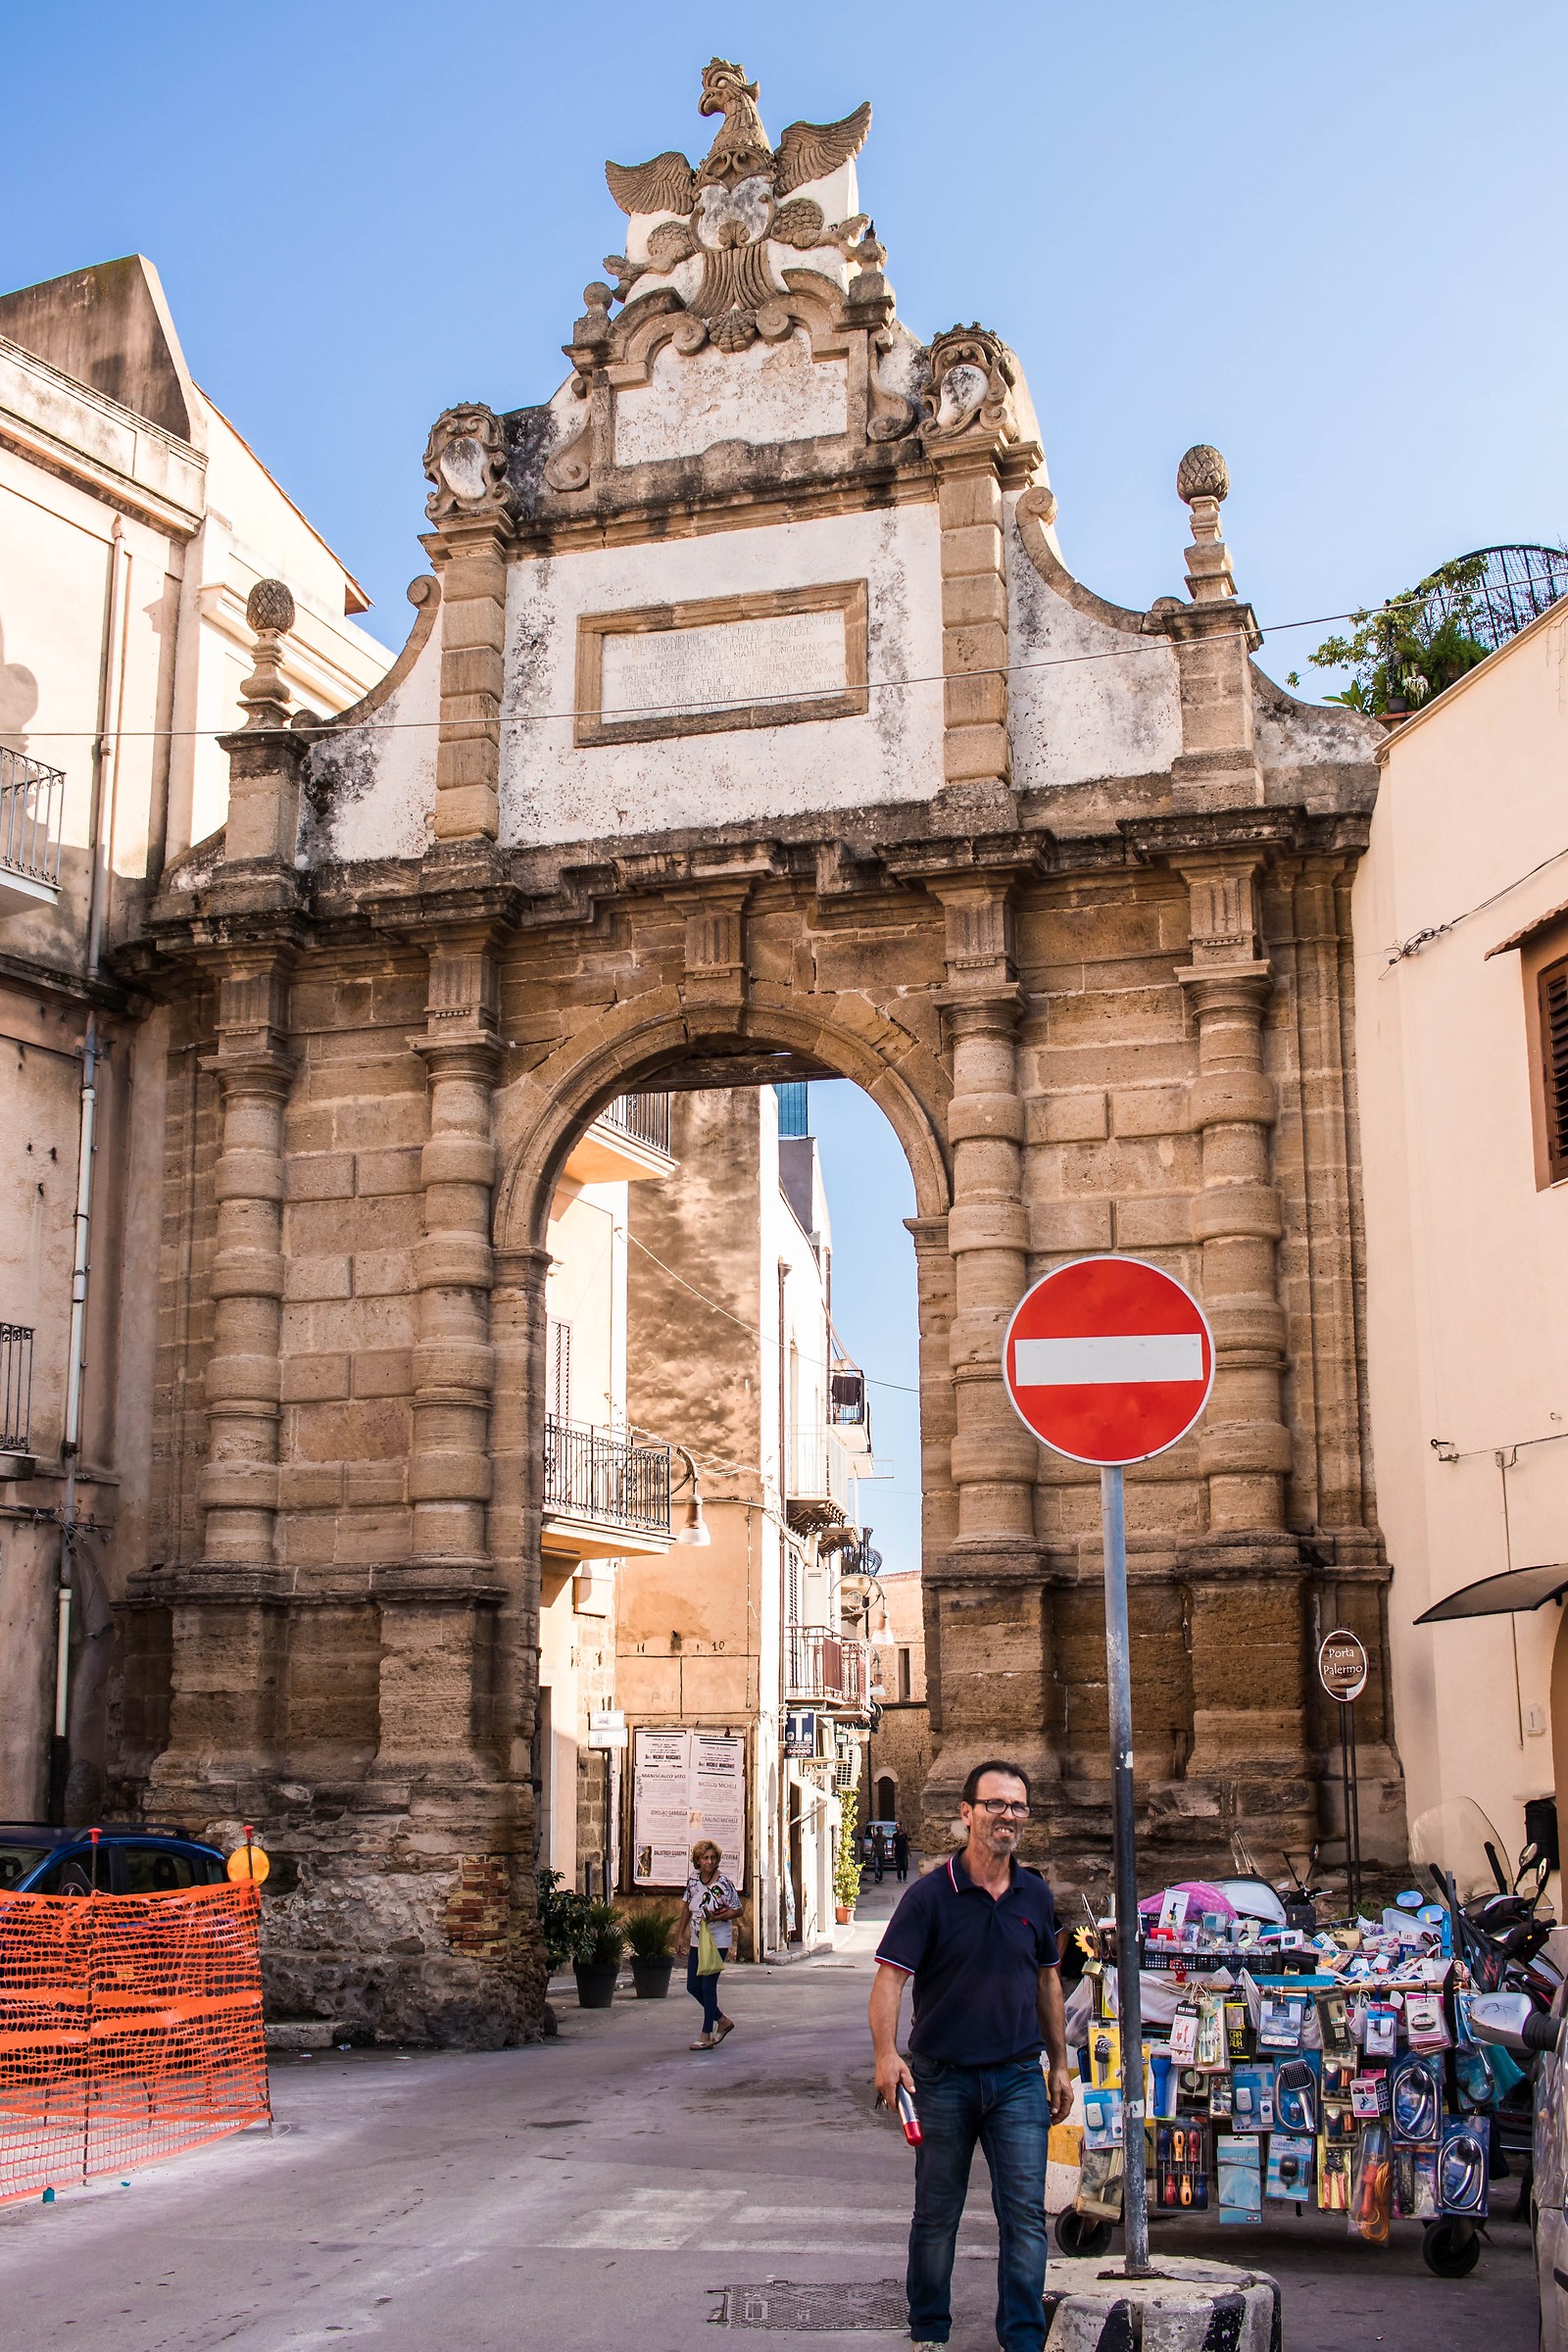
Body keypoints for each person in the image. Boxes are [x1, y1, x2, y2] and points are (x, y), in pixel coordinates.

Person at [868, 1761, 1073, 2352]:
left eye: (1017, 1807)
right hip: (943, 2079)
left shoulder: (1034, 1893)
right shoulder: (930, 1896)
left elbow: (1048, 1984)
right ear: (967, 1814)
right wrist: (887, 2056)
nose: (1007, 1816)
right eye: (995, 1805)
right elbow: (889, 1981)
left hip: (1016, 2078)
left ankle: (1022, 2339)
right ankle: (929, 2334)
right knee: (936, 2218)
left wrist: (1058, 2064)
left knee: (1025, 2219)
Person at [674, 1838, 740, 2051]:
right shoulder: (693, 1881)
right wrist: (679, 1935)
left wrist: (718, 1917)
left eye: (712, 1858)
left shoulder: (723, 1883)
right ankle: (722, 2020)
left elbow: (737, 1909)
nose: (709, 1862)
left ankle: (706, 2033)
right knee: (692, 1985)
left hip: (717, 1939)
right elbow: (686, 1908)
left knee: (707, 1985)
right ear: (698, 1861)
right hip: (697, 1939)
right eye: (705, 1858)